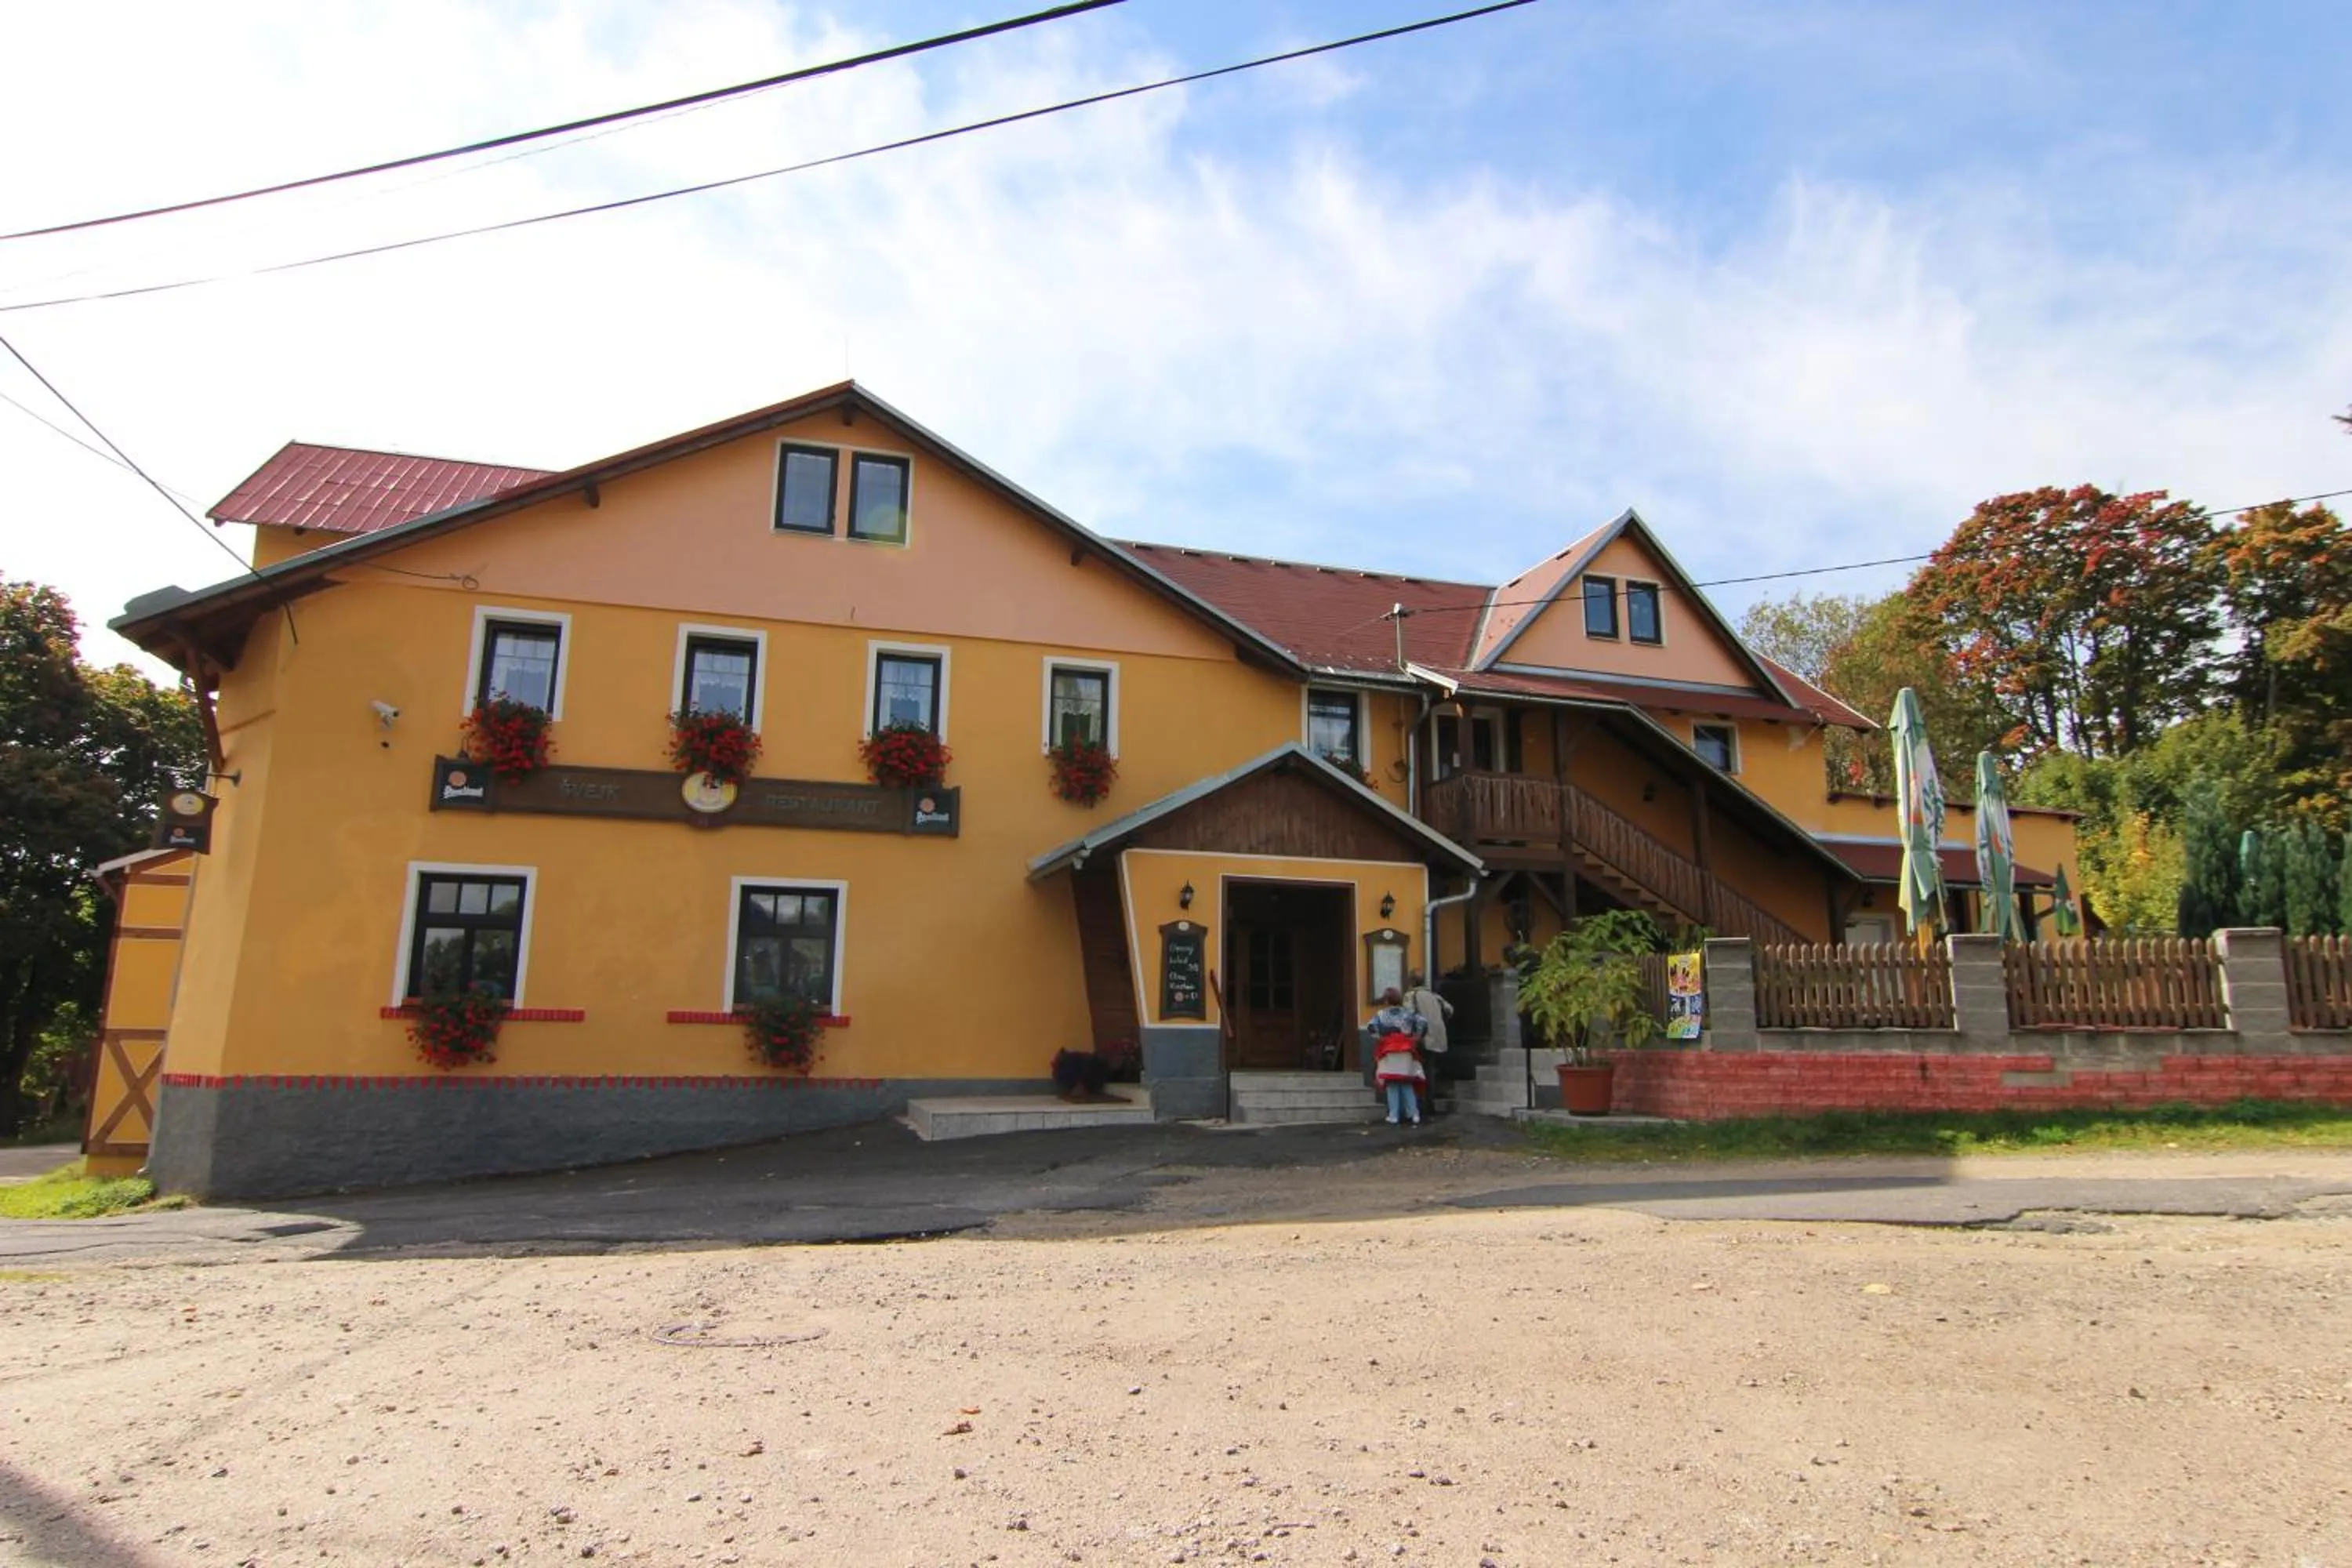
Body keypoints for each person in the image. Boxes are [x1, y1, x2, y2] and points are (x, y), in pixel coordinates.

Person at [1367, 986, 1426, 1125]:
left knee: (1392, 1083)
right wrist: (1416, 1037)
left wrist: (1380, 1038)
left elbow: (1371, 1027)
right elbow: (1423, 1022)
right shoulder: (1408, 1013)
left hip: (1389, 1050)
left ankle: (1394, 1115)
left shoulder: (1381, 1015)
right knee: (1407, 1082)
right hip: (1406, 1050)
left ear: (1387, 1000)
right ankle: (1413, 1113)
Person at [1403, 970, 1454, 1115]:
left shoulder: (1411, 996)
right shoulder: (1434, 996)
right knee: (1431, 1069)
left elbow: (1409, 1016)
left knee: (1418, 1070)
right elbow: (1450, 1009)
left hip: (1422, 1037)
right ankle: (1430, 1103)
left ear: (1411, 981)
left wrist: (1408, 1036)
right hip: (1438, 1036)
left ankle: (1420, 1104)